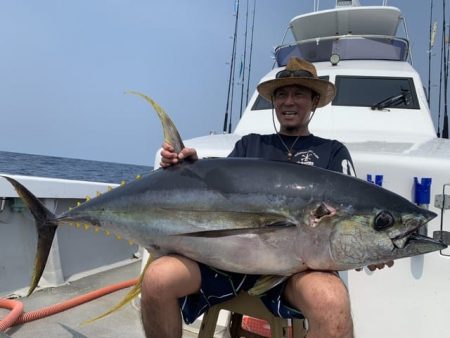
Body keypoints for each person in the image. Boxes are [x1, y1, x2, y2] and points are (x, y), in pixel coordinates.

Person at [140, 57, 391, 338]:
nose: (288, 102)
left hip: (294, 272)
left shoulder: (332, 153)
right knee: (157, 279)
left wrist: (371, 248)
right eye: (281, 94)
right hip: (225, 265)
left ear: (314, 99)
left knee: (332, 303)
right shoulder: (250, 145)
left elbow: (354, 217)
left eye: (298, 93)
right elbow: (218, 191)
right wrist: (191, 167)